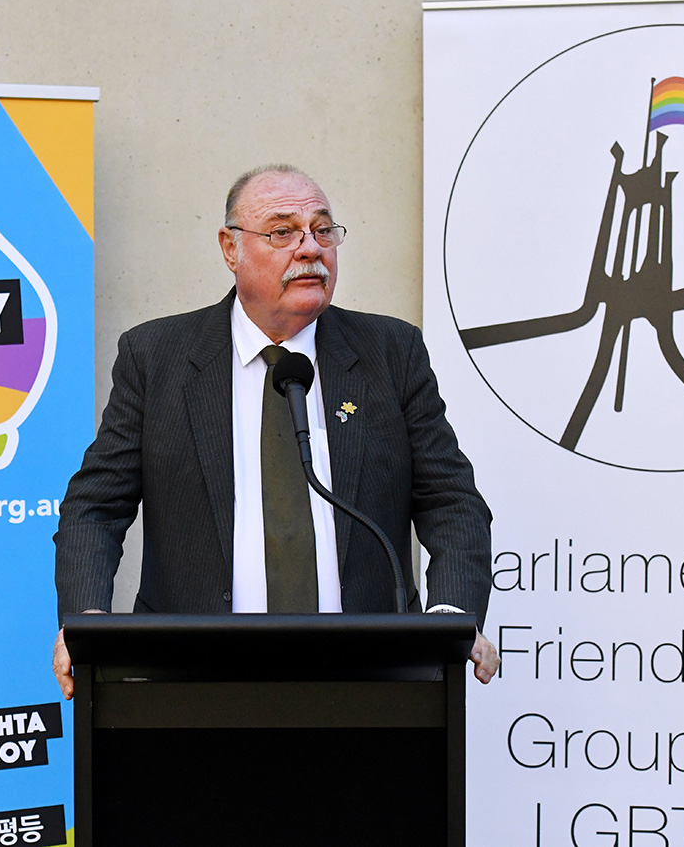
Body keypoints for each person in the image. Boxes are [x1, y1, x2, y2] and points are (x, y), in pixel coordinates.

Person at [52, 164, 498, 699]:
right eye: (282, 232)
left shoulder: (390, 353)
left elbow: (452, 502)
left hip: (372, 681)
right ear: (230, 248)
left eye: (323, 230)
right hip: (192, 684)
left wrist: (449, 618)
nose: (310, 249)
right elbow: (96, 506)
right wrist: (87, 621)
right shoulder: (158, 357)